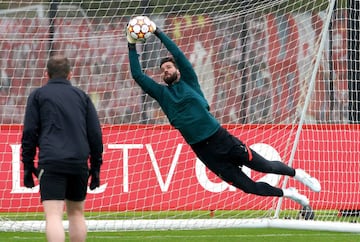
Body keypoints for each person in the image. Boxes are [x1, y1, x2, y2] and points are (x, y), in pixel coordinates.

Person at [126, 18, 321, 207]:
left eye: (168, 67)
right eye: (162, 70)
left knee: (266, 166)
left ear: (178, 69)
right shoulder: (162, 94)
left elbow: (177, 54)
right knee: (248, 187)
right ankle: (291, 195)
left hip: (221, 139)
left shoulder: (189, 81)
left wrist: (158, 32)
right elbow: (137, 75)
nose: (165, 71)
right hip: (203, 151)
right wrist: (131, 45)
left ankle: (298, 175)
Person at [21, 55, 103, 242]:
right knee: (76, 213)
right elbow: (95, 134)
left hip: (52, 160)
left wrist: (27, 165)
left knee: (53, 215)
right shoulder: (82, 96)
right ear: (70, 74)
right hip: (78, 162)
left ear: (46, 74)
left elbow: (29, 132)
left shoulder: (38, 95)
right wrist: (96, 167)